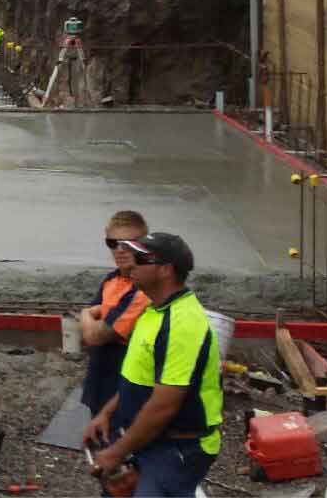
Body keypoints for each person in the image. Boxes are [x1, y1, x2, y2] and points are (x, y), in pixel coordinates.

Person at [85, 232, 223, 497]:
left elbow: (164, 405)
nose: (130, 265)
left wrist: (116, 452)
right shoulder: (154, 311)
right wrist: (108, 412)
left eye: (140, 259)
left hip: (177, 449)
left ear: (166, 270)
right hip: (149, 440)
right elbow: (139, 376)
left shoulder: (182, 324)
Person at [78, 211, 152, 418]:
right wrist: (91, 324)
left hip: (128, 387)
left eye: (129, 244)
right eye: (113, 243)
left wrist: (85, 314)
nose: (120, 250)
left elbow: (95, 335)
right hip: (100, 380)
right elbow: (86, 336)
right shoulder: (111, 280)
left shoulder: (143, 288)